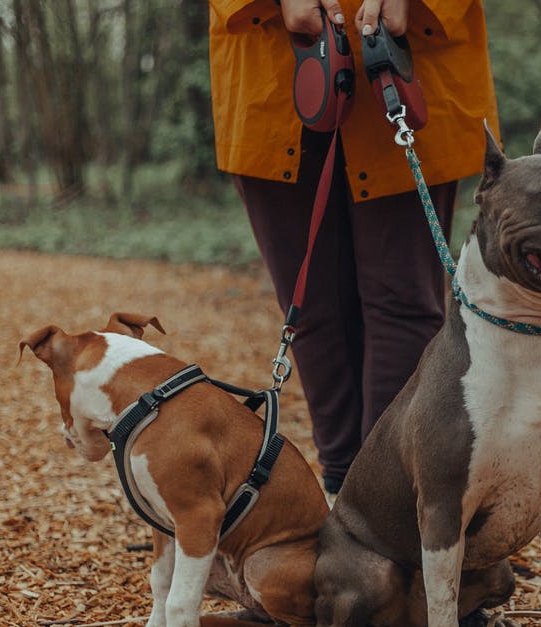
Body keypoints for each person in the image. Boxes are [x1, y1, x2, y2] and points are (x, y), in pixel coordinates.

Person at [207, 0, 500, 494]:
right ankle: (343, 495)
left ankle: (386, 503)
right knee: (312, 308)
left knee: (403, 304)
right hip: (271, 77)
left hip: (406, 66)